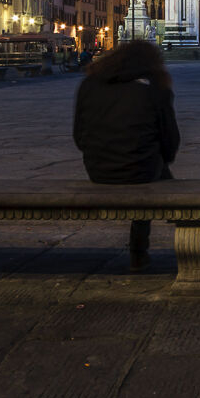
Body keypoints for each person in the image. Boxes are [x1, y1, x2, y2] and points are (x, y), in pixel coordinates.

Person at [73, 40, 180, 271]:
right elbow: (170, 139)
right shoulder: (155, 88)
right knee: (153, 171)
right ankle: (141, 249)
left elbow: (78, 135)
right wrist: (162, 157)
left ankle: (142, 248)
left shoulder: (89, 84)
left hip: (97, 169)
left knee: (148, 167)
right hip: (141, 169)